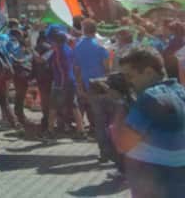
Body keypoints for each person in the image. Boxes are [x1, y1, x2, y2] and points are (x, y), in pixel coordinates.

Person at [111, 46, 185, 197]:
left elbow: (122, 144)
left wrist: (120, 101)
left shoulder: (149, 98)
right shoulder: (180, 91)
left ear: (149, 72)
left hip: (152, 181)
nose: (128, 82)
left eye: (130, 76)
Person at [73, 18, 111, 157]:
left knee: (98, 119)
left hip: (88, 85)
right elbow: (107, 67)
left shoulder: (78, 46)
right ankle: (112, 149)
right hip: (103, 85)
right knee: (109, 118)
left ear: (83, 30)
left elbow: (76, 68)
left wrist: (79, 87)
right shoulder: (101, 45)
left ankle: (104, 152)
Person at [47, 27, 85, 138]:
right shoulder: (68, 49)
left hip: (61, 83)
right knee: (74, 106)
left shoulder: (58, 53)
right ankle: (81, 131)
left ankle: (50, 131)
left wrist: (60, 86)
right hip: (71, 81)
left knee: (53, 107)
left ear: (56, 41)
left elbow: (61, 70)